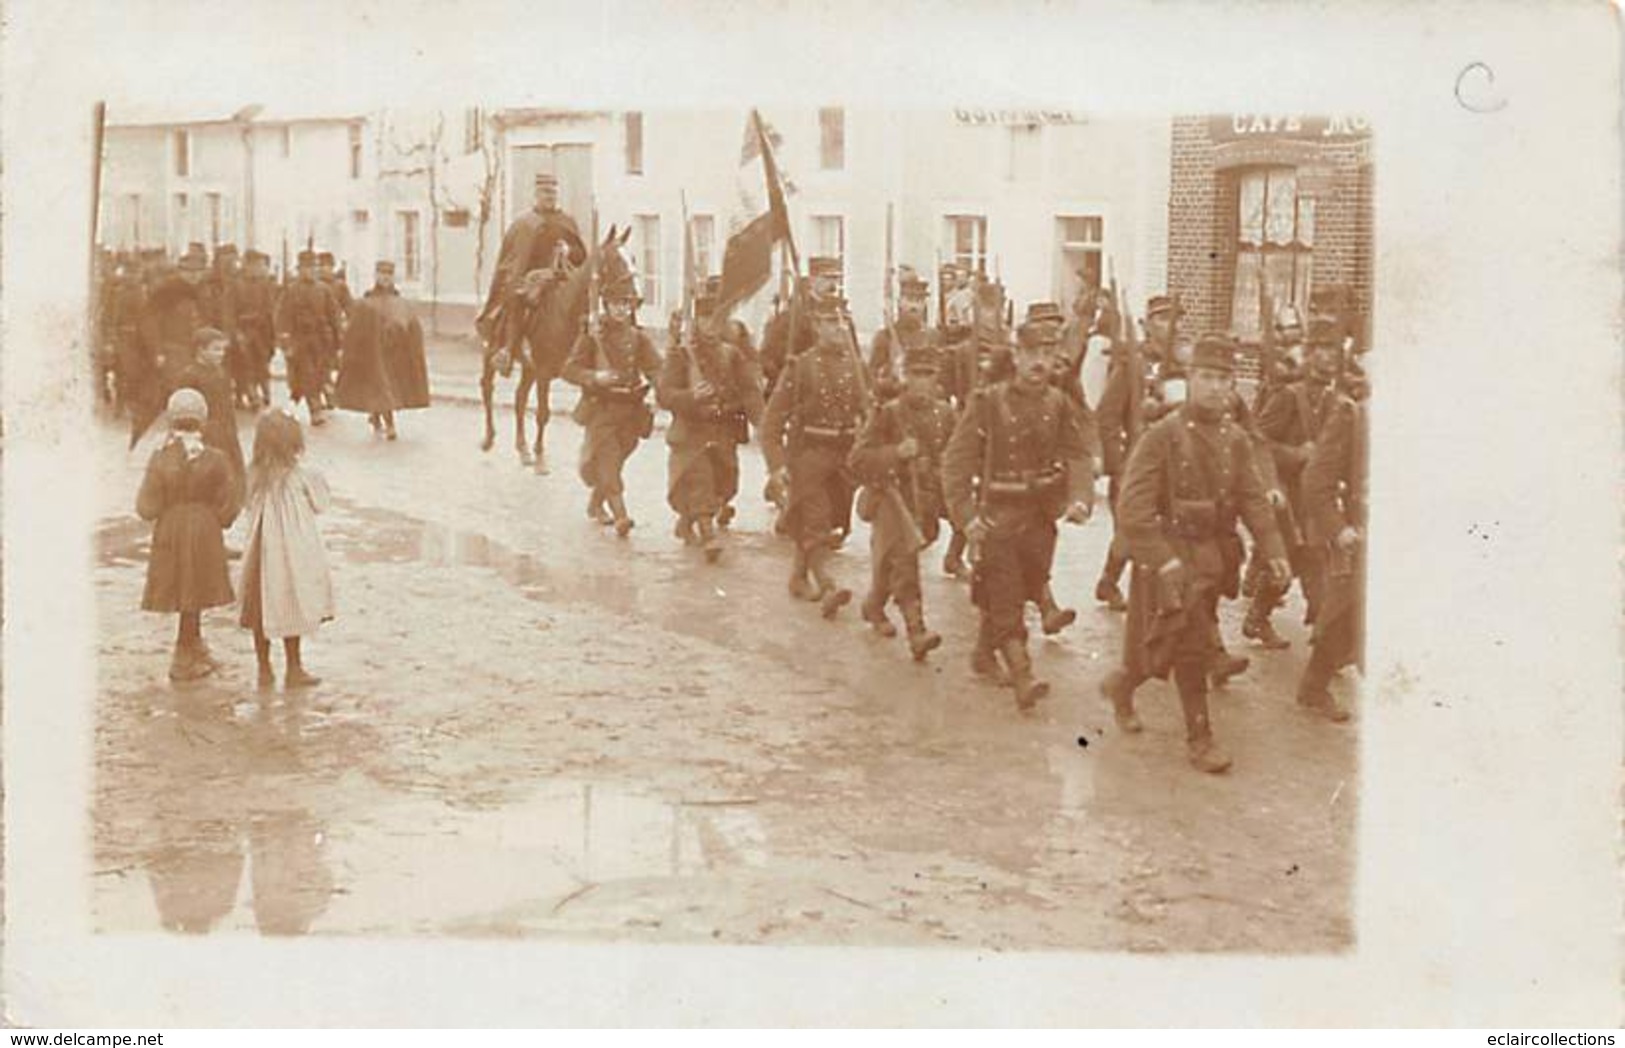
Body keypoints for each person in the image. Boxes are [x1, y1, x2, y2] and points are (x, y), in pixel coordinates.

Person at [1099, 334, 1290, 773]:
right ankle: (1200, 739)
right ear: (1189, 379)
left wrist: (1274, 548)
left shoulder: (1236, 438)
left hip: (1211, 558)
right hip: (1168, 558)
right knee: (1188, 647)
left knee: (1163, 648)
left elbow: (1253, 500)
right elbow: (1132, 509)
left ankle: (1122, 685)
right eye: (1206, 376)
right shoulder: (1161, 436)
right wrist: (1162, 558)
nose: (1215, 387)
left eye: (1223, 378)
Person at [942, 321, 1097, 711]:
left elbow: (1078, 453)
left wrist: (1080, 498)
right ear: (1016, 355)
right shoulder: (989, 402)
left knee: (1025, 586)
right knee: (1007, 594)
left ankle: (982, 652)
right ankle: (1022, 674)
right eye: (1032, 354)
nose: (1039, 363)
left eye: (1047, 354)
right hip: (997, 515)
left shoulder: (1058, 404)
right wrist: (965, 516)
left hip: (1040, 517)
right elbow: (955, 463)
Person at [762, 297, 872, 617]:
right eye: (830, 322)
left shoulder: (857, 367)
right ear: (816, 326)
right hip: (808, 456)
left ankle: (798, 576)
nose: (838, 328)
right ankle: (827, 584)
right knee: (817, 520)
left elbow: (870, 415)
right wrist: (777, 465)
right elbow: (771, 422)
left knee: (831, 521)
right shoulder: (801, 366)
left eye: (842, 321)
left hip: (843, 459)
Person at [848, 343, 954, 660]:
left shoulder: (946, 414)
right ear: (905, 376)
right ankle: (916, 630)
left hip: (926, 501)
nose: (923, 382)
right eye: (916, 374)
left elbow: (955, 455)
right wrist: (896, 453)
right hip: (891, 498)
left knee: (891, 565)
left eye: (929, 375)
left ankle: (874, 604)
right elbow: (857, 459)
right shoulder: (888, 414)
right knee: (904, 564)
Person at [1250, 316, 1344, 645]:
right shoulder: (1289, 396)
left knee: (1318, 560)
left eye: (1335, 349)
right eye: (1323, 349)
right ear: (1309, 353)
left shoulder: (1337, 398)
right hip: (1288, 492)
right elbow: (1257, 442)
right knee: (1288, 559)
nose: (1330, 356)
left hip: (1317, 497)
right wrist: (1296, 453)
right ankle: (1258, 618)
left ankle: (1323, 629)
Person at [136, 388, 239, 682]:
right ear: (203, 422)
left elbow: (145, 507)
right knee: (196, 588)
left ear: (171, 421)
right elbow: (229, 505)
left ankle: (193, 645)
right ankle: (183, 657)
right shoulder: (216, 458)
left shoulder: (159, 458)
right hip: (205, 530)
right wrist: (213, 519)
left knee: (183, 588)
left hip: (170, 530)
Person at [656, 284, 764, 562]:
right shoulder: (680, 355)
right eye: (707, 319)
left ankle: (690, 517)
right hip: (692, 432)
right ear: (697, 321)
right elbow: (664, 394)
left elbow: (749, 390)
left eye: (719, 319)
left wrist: (761, 421)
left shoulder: (732, 354)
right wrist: (691, 396)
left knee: (725, 483)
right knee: (700, 479)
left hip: (724, 429)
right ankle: (708, 534)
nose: (713, 325)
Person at [1092, 293, 1181, 611]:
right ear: (1147, 324)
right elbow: (1106, 416)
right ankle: (1116, 584)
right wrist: (1116, 463)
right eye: (1161, 319)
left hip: (1174, 462)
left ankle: (1109, 582)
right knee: (1134, 527)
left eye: (1174, 319)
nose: (1169, 326)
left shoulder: (1183, 367)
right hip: (1136, 461)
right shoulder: (1133, 364)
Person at [238, 408, 335, 690]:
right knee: (291, 600)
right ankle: (294, 666)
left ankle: (264, 668)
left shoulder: (253, 475)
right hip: (293, 554)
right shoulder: (303, 475)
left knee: (260, 610)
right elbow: (322, 504)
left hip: (261, 554)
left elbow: (243, 503)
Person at [562, 272, 662, 537]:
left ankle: (596, 503)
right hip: (602, 409)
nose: (621, 308)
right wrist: (595, 376)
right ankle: (621, 515)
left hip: (631, 411)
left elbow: (656, 367)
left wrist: (660, 391)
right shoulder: (593, 335)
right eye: (616, 303)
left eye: (626, 303)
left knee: (618, 459)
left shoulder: (638, 337)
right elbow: (569, 369)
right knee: (607, 461)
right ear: (605, 305)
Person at [1293, 380, 1366, 722]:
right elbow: (1315, 481)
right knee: (1343, 609)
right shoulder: (1354, 414)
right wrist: (1338, 530)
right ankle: (1314, 686)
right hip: (1360, 533)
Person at [477, 171, 587, 363]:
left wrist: (568, 250)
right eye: (545, 192)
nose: (549, 197)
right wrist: (525, 275)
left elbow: (580, 255)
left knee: (582, 303)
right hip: (530, 278)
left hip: (560, 277)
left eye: (553, 193)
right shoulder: (524, 224)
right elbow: (513, 259)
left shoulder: (566, 221)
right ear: (535, 195)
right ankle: (509, 349)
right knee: (518, 301)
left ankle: (581, 351)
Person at [335, 260, 431, 440]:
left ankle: (376, 415)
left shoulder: (401, 303)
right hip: (371, 354)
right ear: (376, 276)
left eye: (389, 274)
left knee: (385, 388)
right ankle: (389, 425)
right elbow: (355, 331)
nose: (385, 278)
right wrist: (350, 351)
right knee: (381, 387)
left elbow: (411, 328)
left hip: (394, 354)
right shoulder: (366, 302)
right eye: (382, 274)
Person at [174, 327, 247, 523]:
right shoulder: (190, 376)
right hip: (205, 437)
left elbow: (227, 407)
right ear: (200, 350)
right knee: (207, 486)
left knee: (229, 487)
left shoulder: (221, 372)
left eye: (222, 350)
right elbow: (184, 410)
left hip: (226, 435)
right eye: (216, 349)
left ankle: (218, 531)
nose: (221, 354)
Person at [275, 251, 342, 426]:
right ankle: (315, 409)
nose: (310, 271)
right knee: (307, 375)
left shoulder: (324, 290)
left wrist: (338, 340)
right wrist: (285, 342)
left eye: (313, 268)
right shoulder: (291, 290)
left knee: (321, 373)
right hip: (300, 340)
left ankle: (324, 395)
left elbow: (333, 315)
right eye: (306, 268)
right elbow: (283, 317)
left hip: (321, 340)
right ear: (299, 270)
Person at [867, 267, 935, 403]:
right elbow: (871, 379)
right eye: (909, 299)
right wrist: (893, 383)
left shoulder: (933, 337)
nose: (913, 306)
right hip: (893, 407)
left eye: (919, 301)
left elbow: (942, 379)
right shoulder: (885, 337)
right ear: (900, 302)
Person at [234, 250, 279, 409]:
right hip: (243, 330)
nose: (259, 268)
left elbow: (271, 309)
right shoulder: (236, 284)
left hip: (262, 332)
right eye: (255, 265)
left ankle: (265, 392)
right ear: (247, 265)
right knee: (245, 365)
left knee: (262, 363)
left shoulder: (265, 284)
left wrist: (274, 335)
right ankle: (252, 396)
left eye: (260, 265)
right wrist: (235, 333)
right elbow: (229, 311)